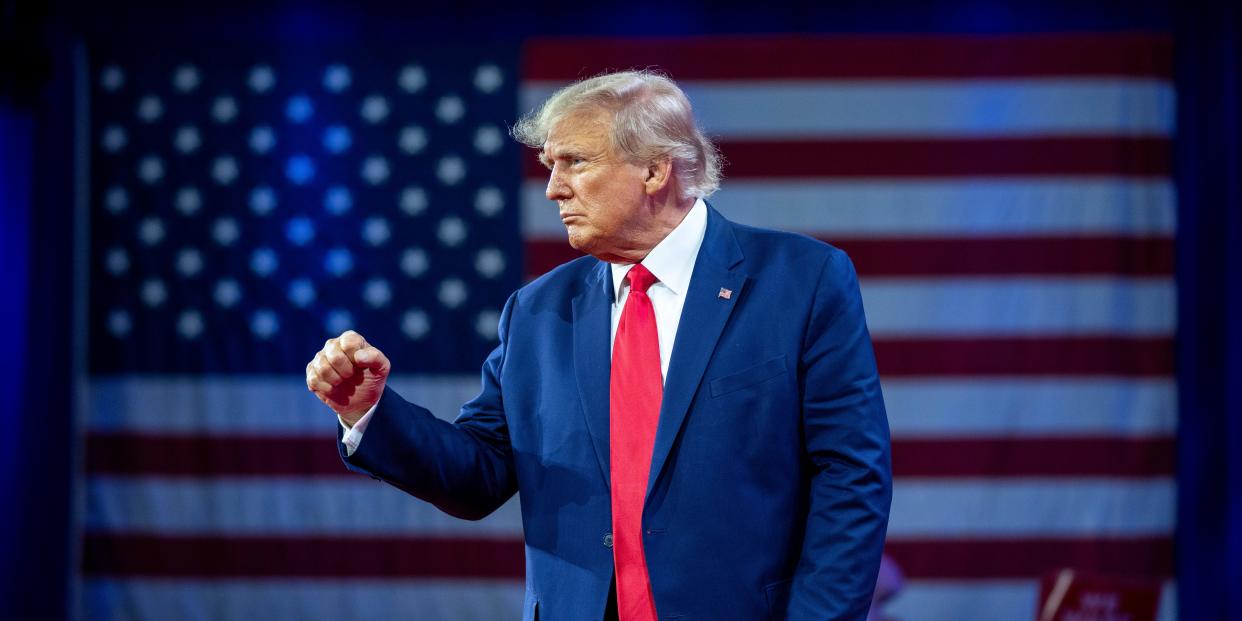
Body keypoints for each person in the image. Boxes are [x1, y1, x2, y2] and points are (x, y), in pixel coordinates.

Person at [306, 70, 892, 621]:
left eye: (574, 163)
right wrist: (369, 412)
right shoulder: (536, 311)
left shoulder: (800, 280)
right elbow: (479, 475)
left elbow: (850, 476)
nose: (553, 189)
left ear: (655, 170)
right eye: (549, 165)